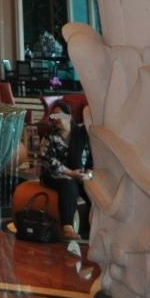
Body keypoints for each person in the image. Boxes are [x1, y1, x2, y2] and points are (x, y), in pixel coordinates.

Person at [39, 100, 92, 240]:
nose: (56, 119)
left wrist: (88, 174)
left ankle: (99, 224)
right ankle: (67, 227)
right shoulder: (50, 136)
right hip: (55, 174)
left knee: (93, 188)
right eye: (53, 116)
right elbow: (46, 159)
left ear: (68, 116)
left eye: (59, 115)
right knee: (69, 184)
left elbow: (91, 157)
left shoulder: (82, 133)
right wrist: (71, 173)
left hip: (80, 174)